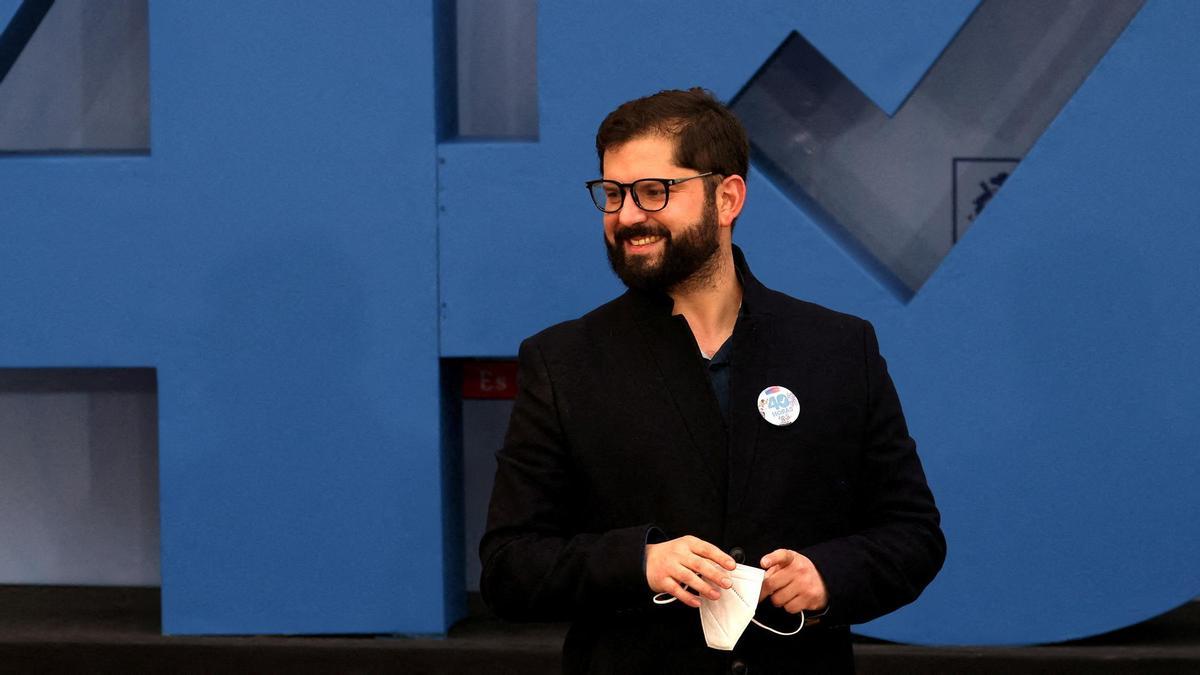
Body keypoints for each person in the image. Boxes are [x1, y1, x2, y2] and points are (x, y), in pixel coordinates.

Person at [480, 87, 945, 674]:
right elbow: (509, 566)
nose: (626, 216)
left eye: (654, 192)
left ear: (727, 198)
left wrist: (829, 575)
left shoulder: (837, 347)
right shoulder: (564, 360)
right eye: (613, 194)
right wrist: (639, 562)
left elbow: (913, 535)